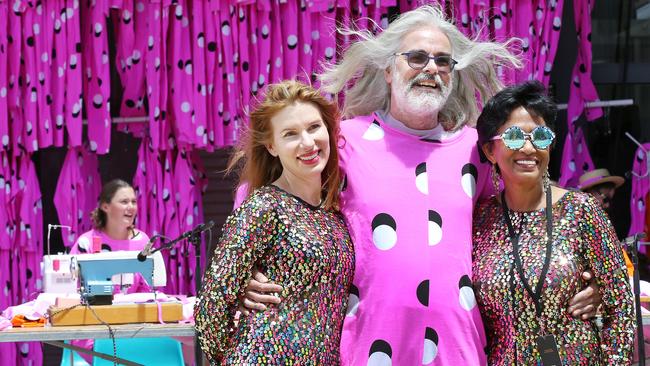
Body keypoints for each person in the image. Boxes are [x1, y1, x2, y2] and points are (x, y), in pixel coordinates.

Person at [240, 5, 601, 365]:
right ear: (387, 69)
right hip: (371, 348)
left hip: (458, 350)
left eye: (443, 61)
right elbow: (269, 196)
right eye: (417, 57)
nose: (431, 68)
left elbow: (521, 218)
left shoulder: (476, 149)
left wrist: (580, 274)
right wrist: (252, 268)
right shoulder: (346, 140)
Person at [473, 80, 635, 364]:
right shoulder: (480, 219)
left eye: (540, 137)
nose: (528, 148)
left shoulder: (581, 210)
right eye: (513, 137)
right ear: (489, 151)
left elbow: (620, 306)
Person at [193, 80, 354, 364]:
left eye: (314, 127)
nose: (307, 143)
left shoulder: (336, 214)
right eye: (290, 134)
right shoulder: (264, 206)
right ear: (272, 146)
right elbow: (210, 307)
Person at [67, 178, 152, 365]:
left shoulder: (142, 241)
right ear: (105, 206)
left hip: (132, 328)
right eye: (124, 201)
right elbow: (71, 291)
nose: (131, 207)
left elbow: (149, 291)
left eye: (134, 201)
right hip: (93, 327)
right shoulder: (86, 243)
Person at [579, 169, 635, 277]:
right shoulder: (580, 221)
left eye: (611, 200)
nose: (607, 206)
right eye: (605, 199)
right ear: (589, 194)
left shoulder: (603, 221)